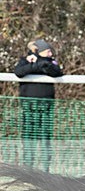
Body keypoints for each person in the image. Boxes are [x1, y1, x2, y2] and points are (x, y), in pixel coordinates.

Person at [14, 39, 63, 171]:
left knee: (45, 138)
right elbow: (19, 72)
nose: (50, 52)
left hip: (46, 107)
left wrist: (42, 64)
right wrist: (34, 65)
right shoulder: (25, 61)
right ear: (40, 51)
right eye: (47, 50)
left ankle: (45, 170)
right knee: (28, 138)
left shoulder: (50, 62)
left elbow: (56, 71)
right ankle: (28, 169)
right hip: (29, 107)